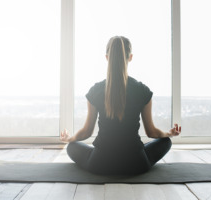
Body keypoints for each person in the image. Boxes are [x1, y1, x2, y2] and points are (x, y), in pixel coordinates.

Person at [60, 36, 181, 175]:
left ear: (107, 57)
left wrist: (70, 138)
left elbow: (87, 132)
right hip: (136, 163)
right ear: (130, 57)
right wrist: (169, 134)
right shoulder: (142, 90)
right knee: (166, 142)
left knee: (71, 147)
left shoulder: (96, 91)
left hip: (100, 164)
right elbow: (151, 132)